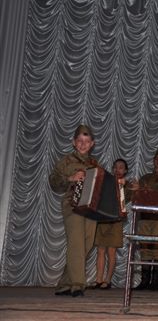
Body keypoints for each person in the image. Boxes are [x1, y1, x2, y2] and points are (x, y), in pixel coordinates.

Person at [49, 124, 103, 297]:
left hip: (91, 207)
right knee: (76, 243)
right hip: (72, 204)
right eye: (79, 140)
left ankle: (64, 284)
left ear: (92, 144)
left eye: (87, 141)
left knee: (86, 244)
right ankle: (78, 284)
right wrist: (70, 178)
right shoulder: (66, 161)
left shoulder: (95, 164)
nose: (83, 144)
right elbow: (53, 182)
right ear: (73, 142)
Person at [133, 149, 158, 291]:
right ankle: (144, 281)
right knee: (144, 247)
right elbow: (138, 193)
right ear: (153, 161)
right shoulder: (145, 177)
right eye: (156, 159)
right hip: (145, 215)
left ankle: (155, 282)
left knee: (157, 247)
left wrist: (143, 188)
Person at [93, 158, 129, 289]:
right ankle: (98, 280)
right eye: (115, 167)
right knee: (100, 250)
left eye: (121, 167)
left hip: (116, 221)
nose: (117, 169)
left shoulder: (127, 185)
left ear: (125, 171)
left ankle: (107, 281)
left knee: (111, 251)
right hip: (103, 219)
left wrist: (124, 186)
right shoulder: (106, 182)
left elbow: (125, 200)